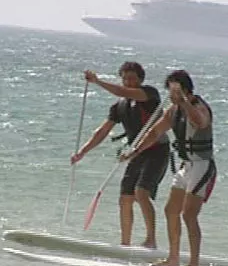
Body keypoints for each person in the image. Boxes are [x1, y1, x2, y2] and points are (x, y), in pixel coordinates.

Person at [119, 70, 216, 266]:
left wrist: (184, 102)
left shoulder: (199, 107)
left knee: (189, 215)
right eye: (170, 90)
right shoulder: (173, 111)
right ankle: (173, 259)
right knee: (171, 210)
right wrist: (134, 151)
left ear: (185, 90)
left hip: (202, 166)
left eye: (175, 90)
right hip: (185, 166)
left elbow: (200, 122)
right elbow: (154, 132)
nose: (171, 95)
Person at [71, 62, 171, 249]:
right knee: (125, 198)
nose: (128, 82)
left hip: (157, 151)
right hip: (134, 153)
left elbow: (121, 92)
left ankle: (151, 241)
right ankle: (125, 244)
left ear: (141, 79)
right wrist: (82, 152)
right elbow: (102, 131)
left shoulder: (149, 94)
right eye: (125, 78)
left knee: (141, 193)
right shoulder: (119, 106)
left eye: (132, 78)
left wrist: (97, 81)